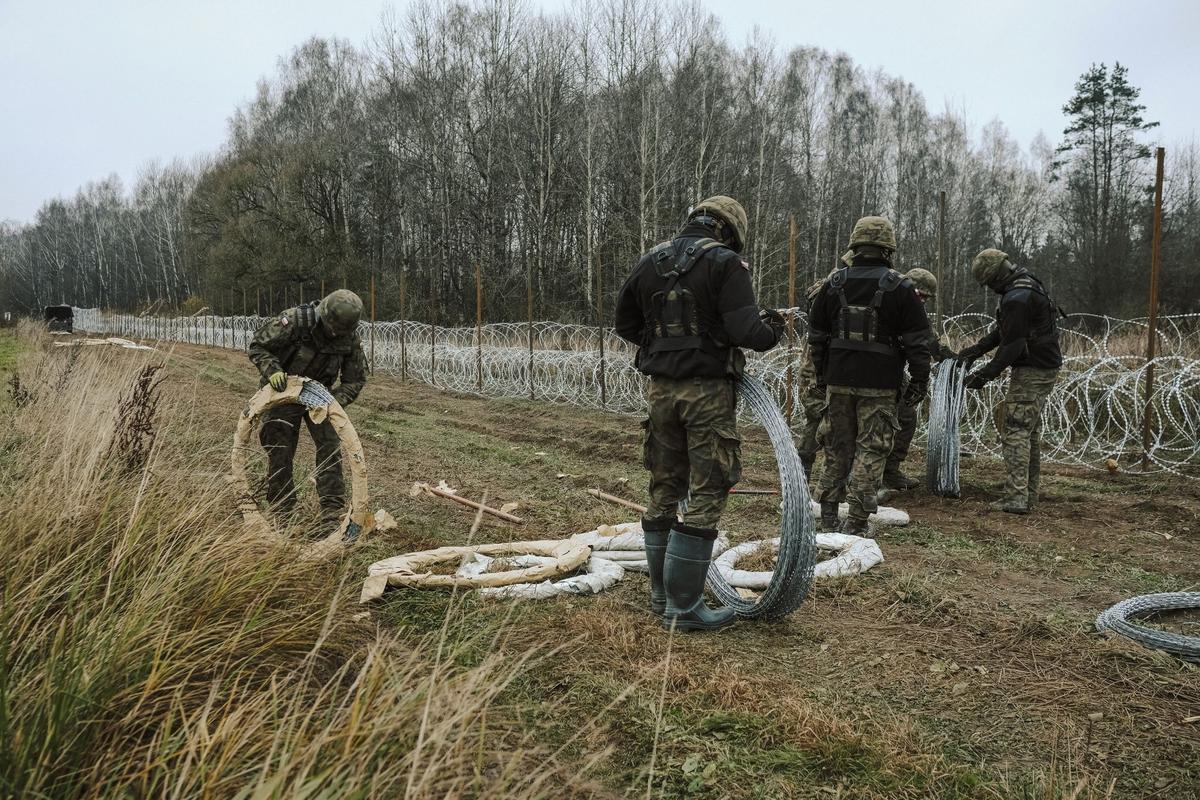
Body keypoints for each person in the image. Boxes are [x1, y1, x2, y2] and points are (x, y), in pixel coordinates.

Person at [615, 195, 783, 632]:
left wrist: (662, 342)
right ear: (729, 230)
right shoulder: (725, 263)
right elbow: (749, 332)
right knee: (710, 488)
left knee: (665, 484)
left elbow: (624, 325)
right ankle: (684, 608)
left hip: (660, 392)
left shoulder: (652, 260)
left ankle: (660, 595)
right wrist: (774, 330)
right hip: (707, 392)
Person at [808, 217, 931, 535]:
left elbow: (817, 335)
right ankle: (857, 523)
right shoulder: (900, 287)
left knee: (837, 448)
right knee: (871, 450)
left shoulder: (834, 284)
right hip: (880, 385)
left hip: (838, 381)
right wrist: (919, 380)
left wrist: (823, 376)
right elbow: (918, 342)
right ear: (888, 248)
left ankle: (829, 515)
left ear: (855, 244)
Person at [957, 249, 1063, 514]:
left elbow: (1013, 344)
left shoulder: (1016, 297)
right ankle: (1028, 495)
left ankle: (1016, 497)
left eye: (991, 282)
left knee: (1015, 430)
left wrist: (985, 374)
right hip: (1043, 366)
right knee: (1029, 433)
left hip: (1032, 369)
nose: (991, 288)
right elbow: (1007, 329)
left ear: (998, 274)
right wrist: (976, 350)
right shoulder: (1026, 285)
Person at [248, 289, 368, 523]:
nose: (334, 334)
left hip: (320, 397)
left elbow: (355, 380)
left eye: (339, 331)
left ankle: (331, 510)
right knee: (280, 449)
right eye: (331, 328)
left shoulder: (349, 338)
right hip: (281, 393)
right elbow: (258, 346)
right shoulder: (295, 321)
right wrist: (273, 371)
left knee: (330, 447)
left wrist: (333, 402)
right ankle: (282, 509)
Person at [881, 268, 957, 492]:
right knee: (875, 424)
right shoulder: (887, 302)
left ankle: (890, 471)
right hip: (876, 370)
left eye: (926, 298)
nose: (921, 301)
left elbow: (929, 340)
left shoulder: (915, 312)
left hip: (895, 373)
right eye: (919, 295)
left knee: (906, 417)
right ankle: (864, 476)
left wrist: (953, 360)